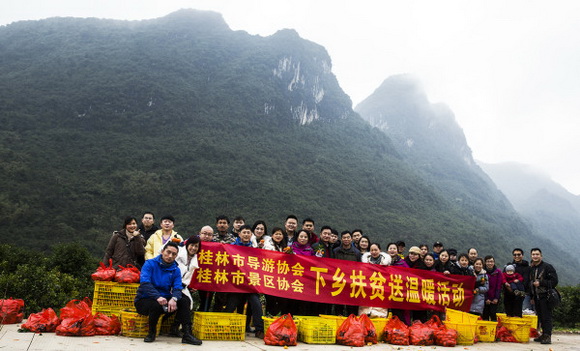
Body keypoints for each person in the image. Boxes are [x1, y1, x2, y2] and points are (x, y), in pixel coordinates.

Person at [134, 242, 202, 345]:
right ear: (162, 251)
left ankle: (187, 334)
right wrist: (157, 296)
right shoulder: (149, 264)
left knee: (184, 300)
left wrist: (174, 298)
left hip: (164, 299)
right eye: (168, 252)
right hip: (145, 299)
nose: (170, 256)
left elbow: (178, 287)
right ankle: (151, 333)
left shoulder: (175, 269)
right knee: (156, 304)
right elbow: (145, 283)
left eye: (174, 254)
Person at [225, 225, 264, 339]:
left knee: (256, 303)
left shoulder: (254, 249)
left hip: (250, 284)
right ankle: (223, 326)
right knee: (231, 306)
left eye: (248, 232)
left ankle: (259, 329)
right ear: (239, 234)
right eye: (244, 232)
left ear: (251, 235)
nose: (246, 234)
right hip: (236, 283)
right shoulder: (231, 247)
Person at [170, 236, 201, 337]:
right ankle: (186, 331)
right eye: (192, 245)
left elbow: (188, 276)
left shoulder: (194, 259)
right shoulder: (178, 253)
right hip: (170, 285)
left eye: (196, 246)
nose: (193, 248)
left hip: (182, 286)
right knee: (185, 301)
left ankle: (176, 327)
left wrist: (186, 284)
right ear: (187, 245)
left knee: (187, 302)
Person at [529, 248, 558, 345]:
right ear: (531, 256)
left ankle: (547, 336)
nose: (535, 256)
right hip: (537, 296)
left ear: (541, 256)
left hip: (546, 296)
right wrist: (532, 297)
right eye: (533, 254)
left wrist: (541, 282)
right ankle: (543, 334)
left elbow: (554, 281)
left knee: (546, 317)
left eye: (537, 254)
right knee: (540, 316)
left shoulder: (548, 267)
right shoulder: (532, 268)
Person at [262, 227, 291, 316]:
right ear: (272, 235)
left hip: (280, 278)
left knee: (283, 300)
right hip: (269, 277)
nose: (278, 236)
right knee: (270, 300)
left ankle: (272, 317)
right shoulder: (267, 245)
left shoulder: (284, 246)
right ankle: (267, 320)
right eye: (276, 234)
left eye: (280, 234)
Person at [333, 231, 361, 315]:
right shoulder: (335, 251)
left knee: (351, 305)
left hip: (351, 281)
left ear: (351, 239)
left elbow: (359, 268)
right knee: (339, 304)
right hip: (339, 280)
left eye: (348, 237)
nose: (346, 239)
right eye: (344, 237)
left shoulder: (356, 253)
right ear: (341, 239)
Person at [359, 243, 390, 317]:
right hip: (368, 288)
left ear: (380, 250)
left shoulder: (385, 262)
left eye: (376, 250)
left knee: (380, 309)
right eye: (372, 250)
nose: (374, 252)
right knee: (365, 312)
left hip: (381, 289)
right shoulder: (365, 262)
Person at [196, 226, 215, 312]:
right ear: (199, 233)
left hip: (206, 276)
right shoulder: (192, 243)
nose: (207, 236)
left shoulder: (216, 246)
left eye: (209, 235)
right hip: (192, 275)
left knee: (206, 300)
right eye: (204, 233)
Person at [482, 255, 503, 321]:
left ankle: (494, 330)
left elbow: (499, 286)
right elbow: (482, 286)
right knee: (485, 315)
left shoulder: (498, 272)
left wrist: (496, 298)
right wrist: (486, 298)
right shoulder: (482, 272)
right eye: (488, 261)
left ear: (494, 262)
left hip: (494, 297)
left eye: (491, 261)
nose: (490, 263)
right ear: (485, 263)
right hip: (485, 297)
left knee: (493, 314)